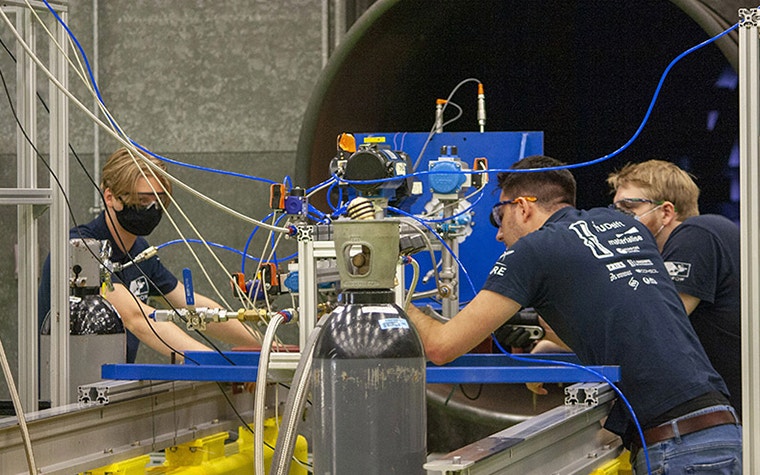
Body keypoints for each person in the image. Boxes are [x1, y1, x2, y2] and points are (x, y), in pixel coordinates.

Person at [405, 155, 741, 474]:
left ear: (522, 208)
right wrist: (555, 351)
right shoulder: (625, 226)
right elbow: (618, 314)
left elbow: (441, 346)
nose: (498, 233)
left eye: (498, 216)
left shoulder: (532, 252)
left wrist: (394, 299)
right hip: (722, 430)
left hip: (678, 449)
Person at [39, 147, 261, 363]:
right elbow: (136, 318)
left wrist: (266, 345)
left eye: (159, 201)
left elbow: (193, 306)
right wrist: (217, 364)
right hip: (64, 390)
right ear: (110, 197)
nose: (152, 209)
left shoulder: (139, 252)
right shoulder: (80, 250)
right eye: (142, 200)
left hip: (112, 389)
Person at [607, 159, 741, 417]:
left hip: (724, 421)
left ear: (666, 212)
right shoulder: (698, 241)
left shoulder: (698, 232)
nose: (616, 221)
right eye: (613, 211)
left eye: (627, 209)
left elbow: (659, 328)